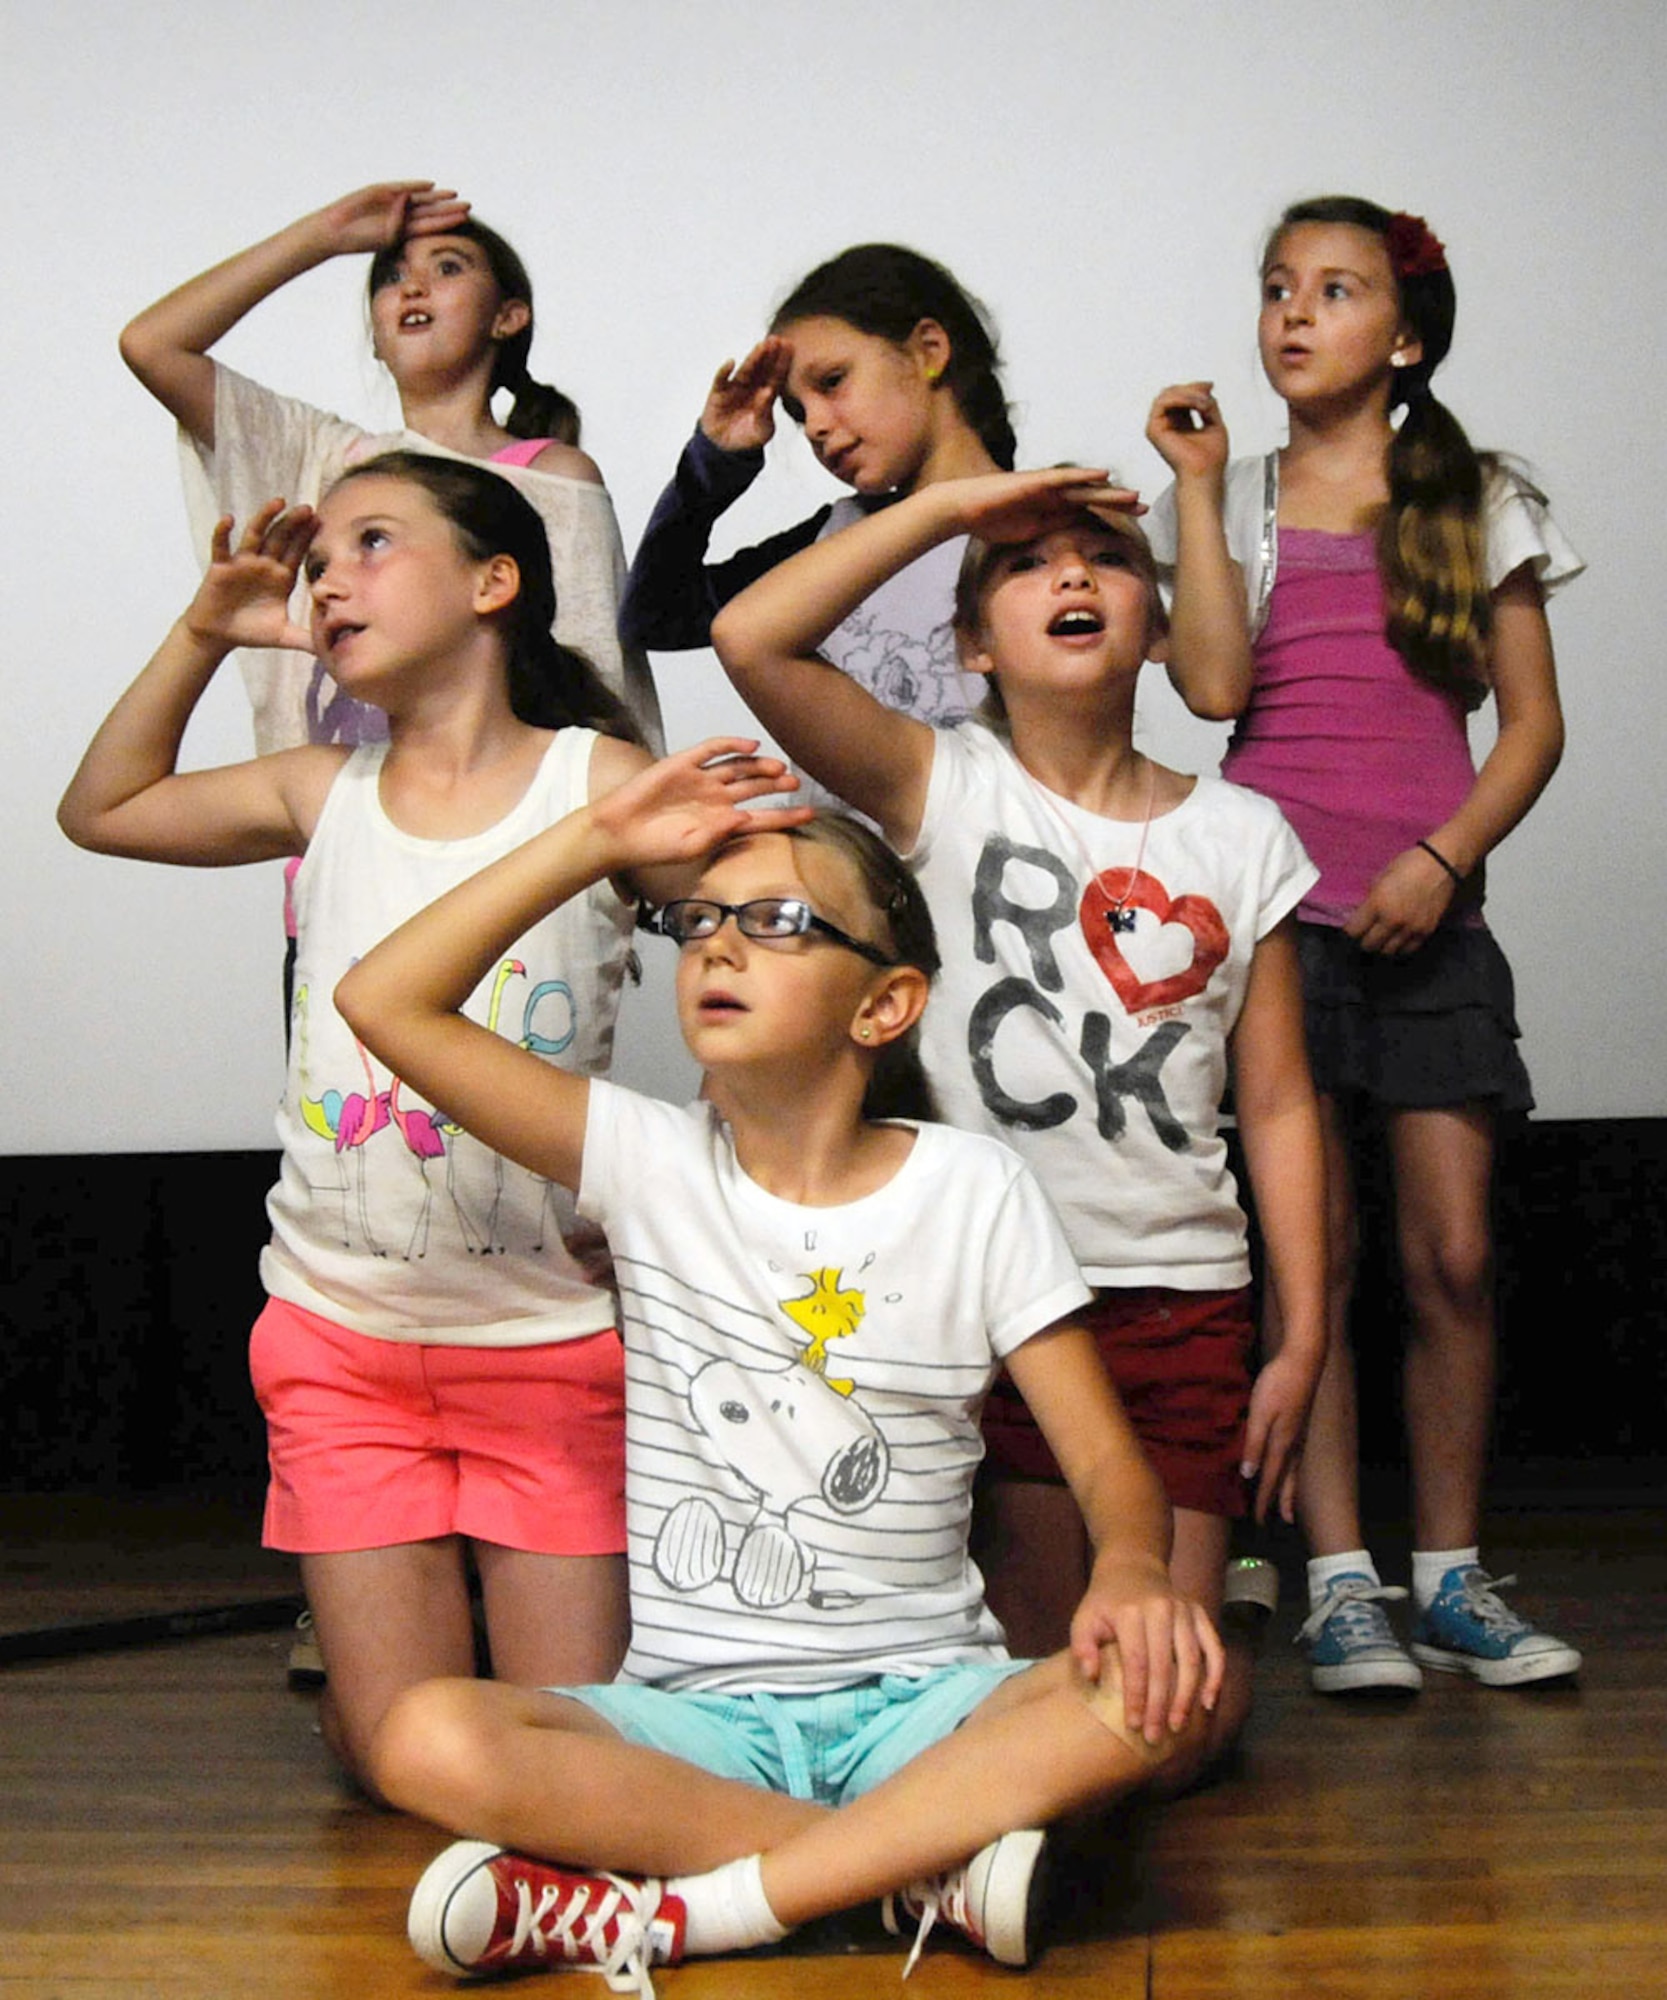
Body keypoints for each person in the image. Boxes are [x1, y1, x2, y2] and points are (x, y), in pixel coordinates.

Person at [335, 752, 1223, 1987]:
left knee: (1155, 1695)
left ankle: (689, 1914)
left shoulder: (972, 1189)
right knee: (423, 1734)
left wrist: (1132, 1570)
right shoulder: (647, 1159)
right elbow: (383, 998)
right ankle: (915, 1873)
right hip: (696, 1725)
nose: (716, 948)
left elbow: (1108, 1471)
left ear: (883, 1005)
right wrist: (596, 839)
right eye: (697, 921)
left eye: (775, 921)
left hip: (927, 1703)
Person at [58, 453, 674, 1792]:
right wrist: (204, 628)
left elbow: (787, 904)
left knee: (575, 1751)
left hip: (548, 1348)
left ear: (494, 583)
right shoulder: (319, 791)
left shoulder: (596, 780)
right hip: (343, 1352)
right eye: (318, 560)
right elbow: (98, 810)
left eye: (372, 543)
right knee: (396, 1760)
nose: (328, 576)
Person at [710, 465, 1327, 1787]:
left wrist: (1304, 1329)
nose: (1069, 576)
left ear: (1155, 620)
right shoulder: (939, 782)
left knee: (1156, 1736)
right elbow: (747, 637)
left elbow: (1274, 1102)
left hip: (1169, 1300)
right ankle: (949, 1820)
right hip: (968, 1301)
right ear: (973, 641)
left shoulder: (1240, 832)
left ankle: (984, 1804)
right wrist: (951, 512)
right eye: (1026, 563)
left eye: (1104, 559)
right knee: (1030, 1688)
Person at [1145, 196, 1583, 1693]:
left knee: (1449, 1255)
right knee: (1306, 1264)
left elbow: (1528, 729)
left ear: (1398, 336)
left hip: (1423, 921)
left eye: (1330, 290)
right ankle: (1337, 1580)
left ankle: (1449, 1575)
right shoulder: (1236, 498)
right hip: (1274, 932)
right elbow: (1208, 693)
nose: (1289, 313)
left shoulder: (1474, 497)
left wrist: (1439, 857)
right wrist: (1195, 492)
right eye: (1273, 286)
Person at [120, 180, 660, 756]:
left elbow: (596, 669)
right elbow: (153, 345)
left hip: (506, 822)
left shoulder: (554, 474)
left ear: (508, 317)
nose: (413, 288)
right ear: (375, 338)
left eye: (449, 268)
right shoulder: (322, 455)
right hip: (340, 818)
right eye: (391, 278)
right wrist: (323, 236)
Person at [620, 243, 1013, 729]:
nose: (813, 427)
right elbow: (654, 616)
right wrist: (714, 464)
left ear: (928, 351)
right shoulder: (834, 538)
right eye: (797, 411)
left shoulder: (1050, 529)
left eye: (831, 381)